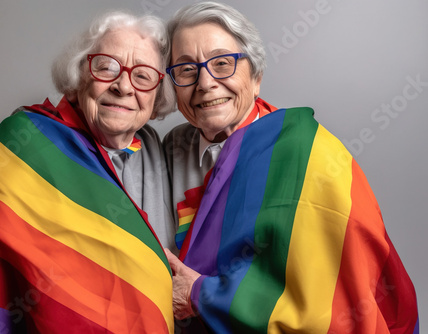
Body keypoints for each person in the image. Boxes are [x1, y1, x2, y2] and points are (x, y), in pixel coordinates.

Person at [162, 2, 419, 333]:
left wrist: (200, 295)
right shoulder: (170, 151)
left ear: (256, 77)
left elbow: (333, 303)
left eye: (223, 63)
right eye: (186, 70)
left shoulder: (309, 153)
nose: (205, 83)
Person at [0, 11, 176, 333]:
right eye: (106, 67)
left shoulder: (163, 151)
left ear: (157, 95)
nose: (123, 86)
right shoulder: (28, 142)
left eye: (143, 76)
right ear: (78, 78)